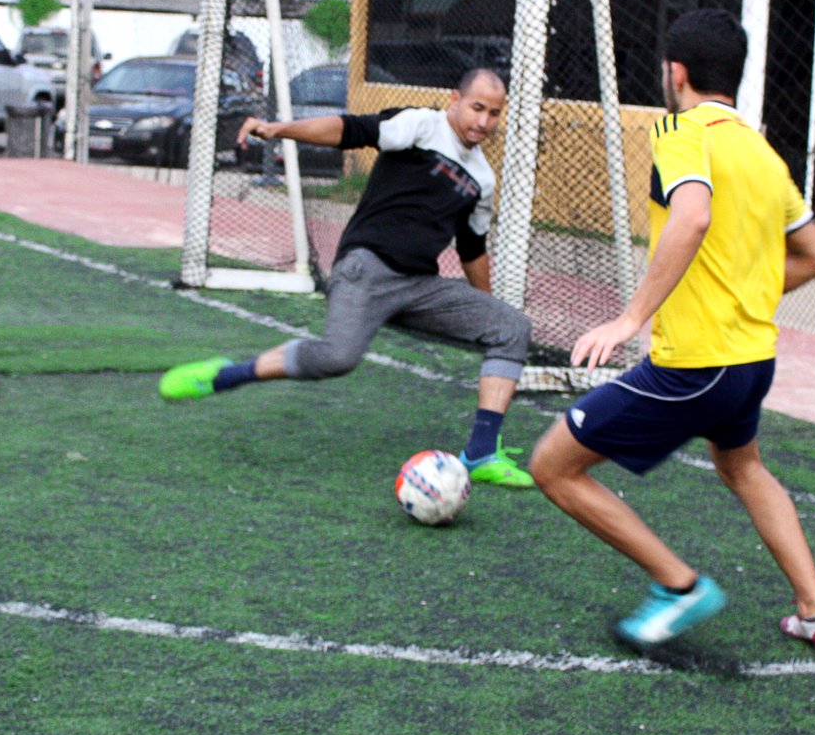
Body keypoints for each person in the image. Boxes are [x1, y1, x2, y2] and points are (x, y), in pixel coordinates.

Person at [528, 9, 815, 652]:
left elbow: (692, 216)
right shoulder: (763, 154)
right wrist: (750, 287)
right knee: (745, 469)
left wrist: (629, 318)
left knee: (553, 465)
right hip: (752, 362)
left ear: (676, 72)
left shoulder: (679, 130)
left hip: (695, 366)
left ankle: (678, 585)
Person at [160, 68, 536, 489]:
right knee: (337, 358)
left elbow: (471, 248)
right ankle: (223, 376)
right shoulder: (420, 125)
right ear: (456, 99)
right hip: (368, 268)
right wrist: (279, 129)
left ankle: (482, 452)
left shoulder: (482, 179)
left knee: (511, 327)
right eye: (477, 108)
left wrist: (486, 309)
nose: (484, 122)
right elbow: (349, 129)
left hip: (419, 286)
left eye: (494, 113)